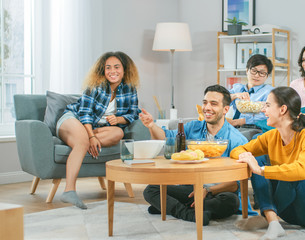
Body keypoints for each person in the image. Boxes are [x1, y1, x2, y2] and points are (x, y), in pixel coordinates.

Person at [231, 87, 305, 240]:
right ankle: (272, 220)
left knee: (293, 174)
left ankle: (269, 219)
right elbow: (238, 150)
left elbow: (301, 172)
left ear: (283, 109)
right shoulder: (271, 136)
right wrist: (247, 157)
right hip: (288, 212)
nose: (263, 109)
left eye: (267, 105)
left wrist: (260, 170)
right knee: (256, 159)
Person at [139, 84, 249, 226]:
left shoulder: (238, 139)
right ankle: (190, 213)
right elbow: (166, 137)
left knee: (231, 202)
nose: (207, 108)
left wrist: (207, 190)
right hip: (191, 188)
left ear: (225, 110)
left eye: (213, 104)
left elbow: (235, 184)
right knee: (152, 190)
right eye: (205, 103)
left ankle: (173, 207)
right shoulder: (193, 127)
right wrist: (151, 125)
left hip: (217, 192)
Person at [57, 51, 140, 209]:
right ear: (103, 70)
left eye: (116, 67)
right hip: (73, 119)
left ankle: (79, 142)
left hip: (95, 129)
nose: (112, 71)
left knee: (119, 133)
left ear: (124, 69)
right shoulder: (96, 86)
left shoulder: (129, 89)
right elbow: (85, 113)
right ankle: (69, 190)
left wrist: (119, 119)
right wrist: (91, 137)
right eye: (108, 67)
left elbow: (134, 112)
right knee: (83, 139)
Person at [228, 54, 274, 128]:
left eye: (262, 73)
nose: (256, 75)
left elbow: (266, 117)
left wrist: (236, 122)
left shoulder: (270, 92)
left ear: (267, 76)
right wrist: (235, 95)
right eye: (254, 71)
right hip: (233, 126)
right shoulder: (238, 88)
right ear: (247, 70)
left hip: (254, 128)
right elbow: (220, 100)